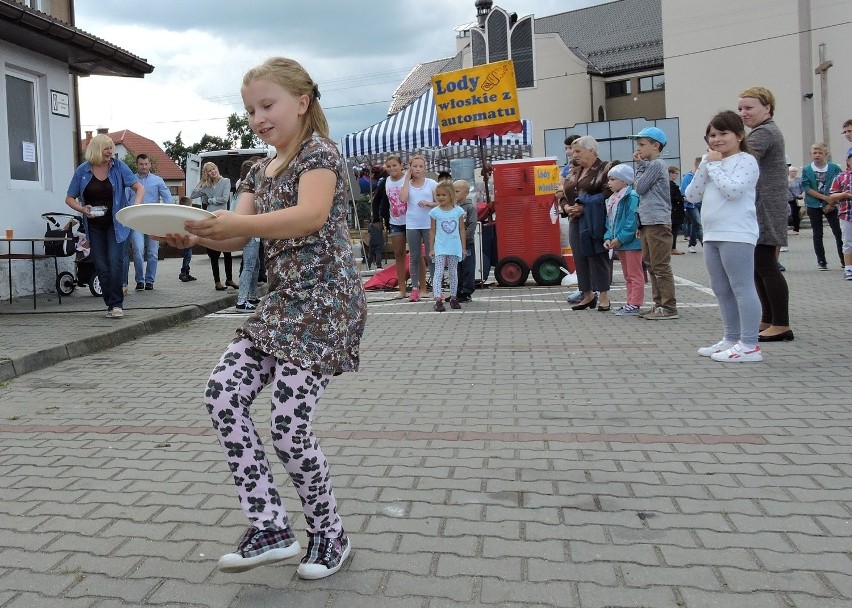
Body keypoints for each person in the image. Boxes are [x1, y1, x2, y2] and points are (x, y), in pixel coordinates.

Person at [158, 56, 366, 579]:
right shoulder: (256, 168)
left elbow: (310, 215)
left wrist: (226, 222)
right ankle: (269, 524)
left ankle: (329, 534)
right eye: (250, 109)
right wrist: (194, 234)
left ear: (302, 101)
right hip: (282, 303)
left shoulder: (320, 153)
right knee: (222, 395)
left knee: (288, 427)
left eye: (267, 105)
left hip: (325, 305)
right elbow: (240, 231)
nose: (257, 117)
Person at [686, 110, 763, 362]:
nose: (717, 139)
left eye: (723, 134)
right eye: (711, 135)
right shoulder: (712, 163)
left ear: (739, 135)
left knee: (742, 287)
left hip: (737, 233)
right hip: (712, 234)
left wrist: (715, 166)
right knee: (721, 289)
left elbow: (734, 190)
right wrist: (707, 166)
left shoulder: (746, 161)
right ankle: (731, 338)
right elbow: (692, 195)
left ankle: (750, 344)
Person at [65, 134, 143, 319]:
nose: (110, 152)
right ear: (96, 149)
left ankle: (116, 304)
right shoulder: (82, 171)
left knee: (116, 262)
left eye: (111, 148)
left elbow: (139, 187)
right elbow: (69, 198)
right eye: (106, 148)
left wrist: (136, 204)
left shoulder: (119, 167)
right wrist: (82, 209)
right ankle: (110, 303)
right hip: (94, 224)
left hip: (117, 223)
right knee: (100, 265)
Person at [737, 87, 792, 342]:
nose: (743, 113)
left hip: (766, 208)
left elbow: (741, 159)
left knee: (766, 266)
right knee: (759, 267)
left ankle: (781, 323)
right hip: (764, 206)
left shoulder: (764, 132)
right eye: (740, 109)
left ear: (767, 108)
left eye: (749, 108)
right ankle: (768, 318)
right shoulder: (764, 131)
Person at [556, 135, 613, 311]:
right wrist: (566, 207)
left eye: (578, 151)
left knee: (597, 256)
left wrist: (585, 206)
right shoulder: (573, 170)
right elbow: (560, 193)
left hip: (595, 218)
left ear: (592, 151)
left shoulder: (605, 168)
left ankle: (604, 296)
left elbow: (608, 192)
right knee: (579, 258)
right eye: (572, 152)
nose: (574, 155)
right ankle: (587, 294)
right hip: (575, 219)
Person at [630, 126, 678, 320]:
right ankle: (658, 304)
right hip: (648, 221)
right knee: (651, 264)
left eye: (642, 145)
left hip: (658, 221)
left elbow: (639, 187)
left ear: (655, 146)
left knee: (660, 266)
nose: (638, 149)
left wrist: (641, 166)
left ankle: (668, 307)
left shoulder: (657, 165)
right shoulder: (650, 166)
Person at [124, 153, 173, 291]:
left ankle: (150, 280)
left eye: (146, 164)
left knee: (152, 252)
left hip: (154, 221)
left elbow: (168, 199)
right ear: (137, 165)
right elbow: (125, 200)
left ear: (150, 165)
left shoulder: (158, 180)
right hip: (136, 221)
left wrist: (166, 216)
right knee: (138, 250)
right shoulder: (130, 180)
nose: (144, 167)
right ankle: (140, 280)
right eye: (141, 164)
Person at [603, 164, 644, 316]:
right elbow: (609, 222)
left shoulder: (631, 197)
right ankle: (630, 301)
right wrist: (608, 237)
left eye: (613, 179)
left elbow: (631, 220)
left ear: (624, 181)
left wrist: (620, 238)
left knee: (635, 274)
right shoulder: (611, 200)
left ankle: (635, 303)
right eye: (609, 179)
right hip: (620, 243)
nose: (609, 182)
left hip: (631, 242)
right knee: (628, 275)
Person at [191, 162, 237, 291]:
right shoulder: (206, 186)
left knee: (227, 250)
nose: (213, 171)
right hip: (210, 217)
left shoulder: (226, 181)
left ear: (217, 169)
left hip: (222, 217)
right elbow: (193, 195)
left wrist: (210, 200)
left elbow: (225, 198)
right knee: (213, 252)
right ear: (207, 173)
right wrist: (201, 181)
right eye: (209, 171)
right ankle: (217, 281)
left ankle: (229, 278)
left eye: (214, 169)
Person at [801, 142, 843, 271]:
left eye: (820, 153)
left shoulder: (835, 168)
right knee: (817, 233)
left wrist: (832, 203)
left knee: (838, 232)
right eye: (815, 153)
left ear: (826, 154)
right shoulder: (807, 169)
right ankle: (821, 260)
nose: (817, 155)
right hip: (814, 204)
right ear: (811, 154)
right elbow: (807, 187)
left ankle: (844, 259)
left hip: (831, 205)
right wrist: (824, 198)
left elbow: (840, 185)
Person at [400, 154, 437, 302]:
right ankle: (414, 289)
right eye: (414, 166)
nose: (418, 169)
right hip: (412, 224)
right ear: (410, 168)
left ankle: (436, 287)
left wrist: (429, 203)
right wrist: (406, 179)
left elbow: (441, 201)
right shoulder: (407, 183)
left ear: (425, 168)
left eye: (421, 166)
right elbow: (402, 199)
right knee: (414, 257)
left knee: (431, 256)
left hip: (429, 224)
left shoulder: (432, 183)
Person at [429, 180, 466, 311]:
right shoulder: (435, 212)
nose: (440, 198)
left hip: (454, 246)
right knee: (438, 272)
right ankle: (438, 299)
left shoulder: (458, 211)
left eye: (443, 195)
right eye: (438, 195)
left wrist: (463, 247)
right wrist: (431, 248)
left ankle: (454, 297)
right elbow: (432, 230)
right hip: (440, 246)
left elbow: (462, 229)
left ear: (450, 195)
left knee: (453, 272)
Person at [234, 159, 261, 311]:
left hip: (252, 228)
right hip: (250, 228)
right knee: (249, 265)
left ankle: (252, 296)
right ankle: (241, 300)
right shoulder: (249, 187)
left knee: (255, 264)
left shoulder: (240, 184)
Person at [828, 151, 852, 280]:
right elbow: (832, 195)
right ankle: (848, 268)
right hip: (847, 214)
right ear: (848, 161)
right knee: (848, 242)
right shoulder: (841, 177)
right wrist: (844, 195)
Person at [454, 179, 477, 302]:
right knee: (456, 267)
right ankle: (456, 289)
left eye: (457, 191)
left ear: (466, 193)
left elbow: (472, 225)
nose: (454, 193)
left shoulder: (470, 208)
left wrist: (464, 238)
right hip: (454, 243)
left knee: (467, 267)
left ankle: (467, 290)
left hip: (466, 243)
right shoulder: (452, 207)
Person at [680, 157, 704, 253]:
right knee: (699, 224)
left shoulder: (701, 177)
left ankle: (692, 244)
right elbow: (683, 192)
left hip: (700, 204)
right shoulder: (688, 177)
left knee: (695, 225)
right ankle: (705, 245)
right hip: (691, 205)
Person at [177, 196, 197, 281]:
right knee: (187, 255)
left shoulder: (181, 214)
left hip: (186, 237)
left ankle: (186, 272)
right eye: (191, 205)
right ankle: (183, 272)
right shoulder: (186, 215)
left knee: (187, 255)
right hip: (186, 237)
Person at [668, 165, 685, 255]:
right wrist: (681, 198)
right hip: (674, 211)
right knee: (674, 231)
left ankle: (672, 248)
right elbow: (673, 197)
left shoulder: (670, 185)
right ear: (671, 173)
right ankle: (672, 248)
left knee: (673, 231)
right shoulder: (671, 185)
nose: (677, 176)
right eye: (676, 173)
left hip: (674, 211)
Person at [787, 166, 804, 235]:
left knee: (795, 214)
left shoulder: (799, 180)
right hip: (786, 199)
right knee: (786, 214)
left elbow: (803, 189)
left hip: (796, 199)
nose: (794, 173)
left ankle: (796, 229)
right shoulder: (784, 180)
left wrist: (802, 195)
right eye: (792, 171)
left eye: (795, 171)